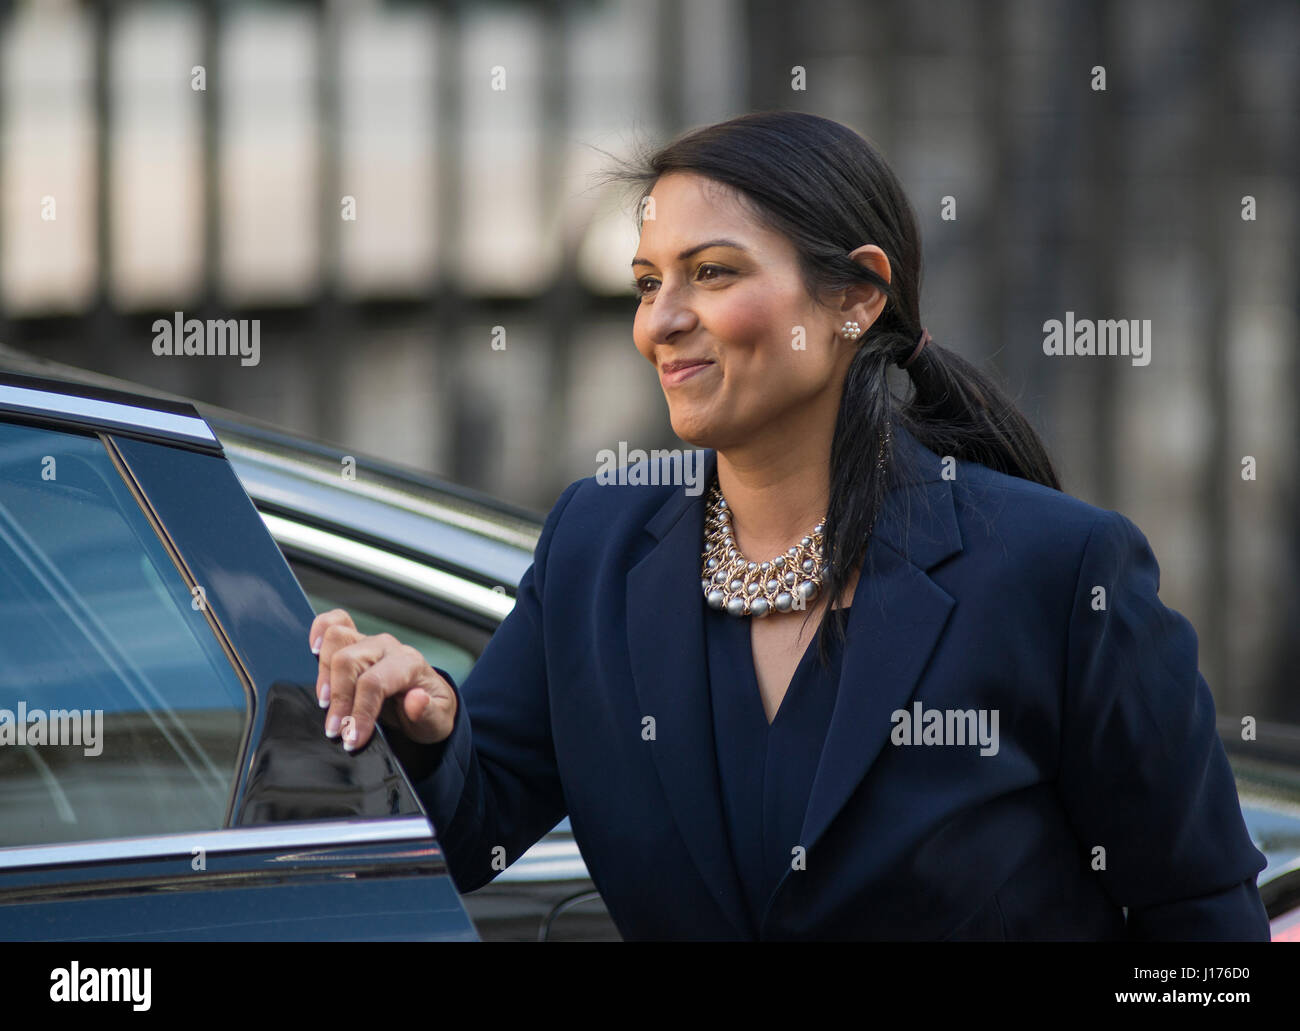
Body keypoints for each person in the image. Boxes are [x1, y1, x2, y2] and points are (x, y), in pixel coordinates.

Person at [307, 111, 1270, 941]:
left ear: (856, 295)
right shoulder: (595, 546)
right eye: (647, 283)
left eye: (712, 273)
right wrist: (426, 725)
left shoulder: (1057, 572)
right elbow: (472, 829)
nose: (660, 323)